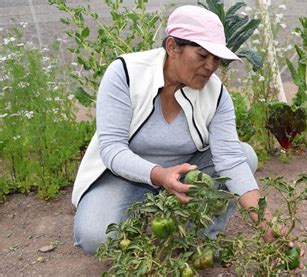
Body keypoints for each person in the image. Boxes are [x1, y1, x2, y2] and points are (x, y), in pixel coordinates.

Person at [72, 5, 276, 255]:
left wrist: (267, 227)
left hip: (184, 174)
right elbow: (112, 148)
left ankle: (198, 237)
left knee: (244, 155)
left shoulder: (216, 93)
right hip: (123, 176)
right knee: (96, 237)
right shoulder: (126, 73)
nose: (211, 66)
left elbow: (230, 160)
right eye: (202, 55)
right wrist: (159, 175)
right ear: (172, 47)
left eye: (217, 59)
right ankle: (138, 210)